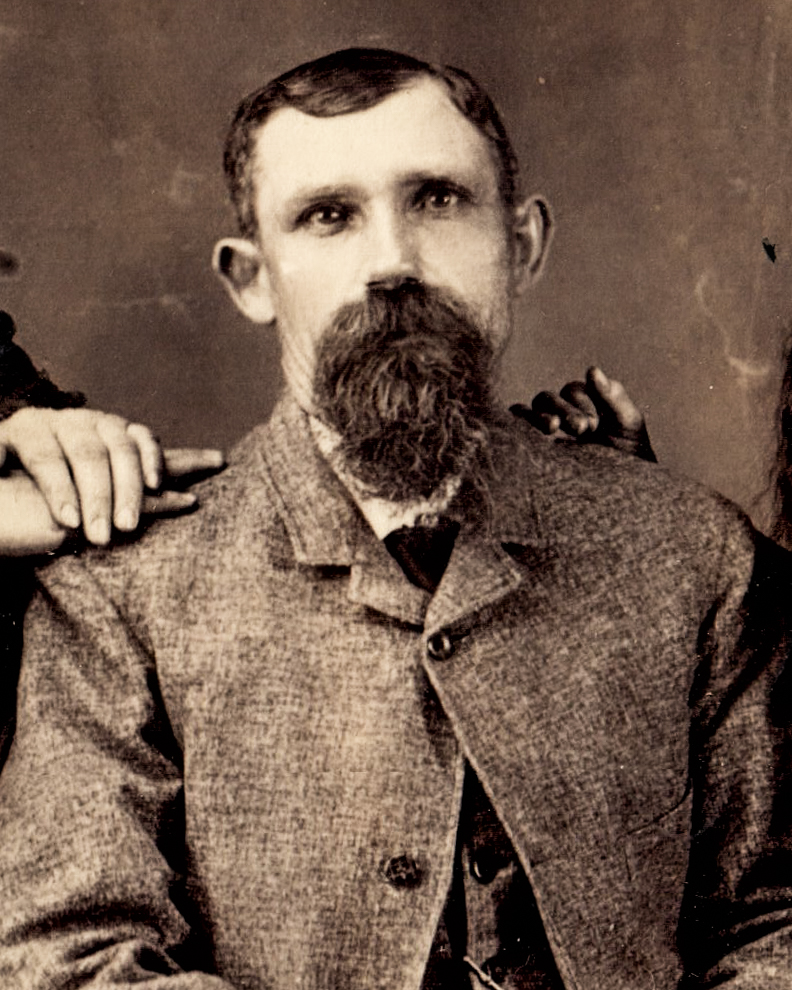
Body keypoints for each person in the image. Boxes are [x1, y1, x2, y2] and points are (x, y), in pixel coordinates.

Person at [1, 47, 791, 990]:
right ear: (250, 278)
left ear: (524, 243)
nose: (392, 263)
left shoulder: (697, 558)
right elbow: (69, 959)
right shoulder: (118, 591)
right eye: (328, 216)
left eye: (438, 200)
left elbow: (775, 920)